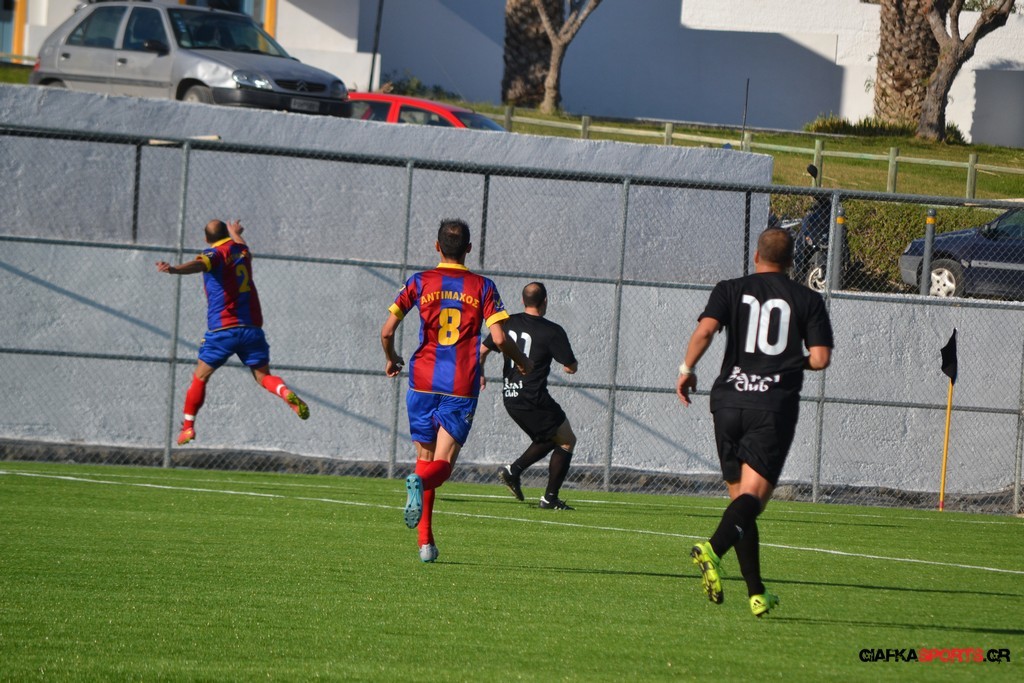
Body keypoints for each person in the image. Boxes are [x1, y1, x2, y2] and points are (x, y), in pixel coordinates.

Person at [676, 227, 833, 618]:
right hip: (771, 405)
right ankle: (712, 548)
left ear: (756, 256)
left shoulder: (729, 288)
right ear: (792, 261)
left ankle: (756, 593)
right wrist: (788, 362)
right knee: (753, 501)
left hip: (727, 402)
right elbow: (820, 359)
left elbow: (706, 330)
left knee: (740, 504)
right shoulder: (807, 299)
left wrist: (686, 369)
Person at [381, 219, 532, 563]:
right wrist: (520, 360)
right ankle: (419, 488)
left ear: (437, 247)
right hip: (460, 384)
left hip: (421, 380)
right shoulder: (483, 286)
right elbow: (498, 338)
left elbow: (387, 331)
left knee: (424, 460)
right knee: (442, 466)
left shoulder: (419, 281)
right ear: (469, 249)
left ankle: (425, 544)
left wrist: (391, 358)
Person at [156, 219, 309, 446]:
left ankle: (188, 427)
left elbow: (199, 264)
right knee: (263, 376)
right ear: (227, 235)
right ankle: (284, 392)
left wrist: (174, 269)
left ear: (206, 239)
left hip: (223, 330)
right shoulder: (242, 251)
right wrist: (235, 232)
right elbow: (241, 246)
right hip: (251, 329)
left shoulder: (214, 254)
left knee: (200, 377)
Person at [480, 282, 579, 510]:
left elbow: (482, 351)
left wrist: (481, 373)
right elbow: (570, 367)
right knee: (565, 440)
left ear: (522, 301)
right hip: (534, 397)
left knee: (553, 437)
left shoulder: (507, 322)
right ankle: (537, 489)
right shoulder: (552, 331)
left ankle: (521, 477)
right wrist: (570, 365)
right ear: (545, 301)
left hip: (510, 396)